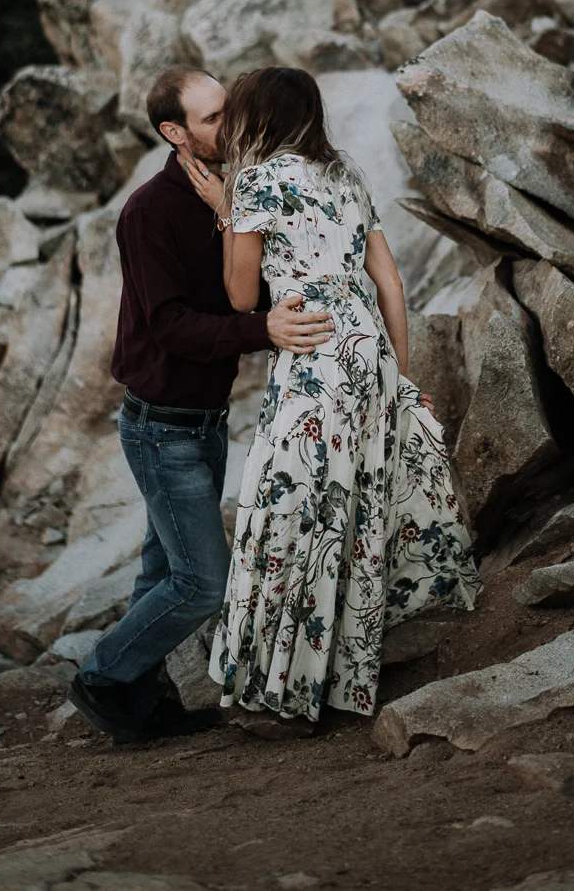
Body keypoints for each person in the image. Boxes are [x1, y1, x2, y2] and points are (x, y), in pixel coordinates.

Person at [182, 66, 479, 732]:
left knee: (286, 515)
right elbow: (392, 284)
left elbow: (238, 300)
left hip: (314, 363)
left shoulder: (256, 180)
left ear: (257, 117)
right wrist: (398, 377)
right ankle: (339, 682)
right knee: (350, 517)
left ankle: (279, 693)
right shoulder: (346, 174)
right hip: (368, 353)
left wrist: (226, 210)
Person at [69, 64, 335, 744]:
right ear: (173, 132)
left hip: (206, 422)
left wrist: (230, 218)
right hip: (161, 430)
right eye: (213, 117)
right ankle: (100, 675)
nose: (231, 122)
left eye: (228, 109)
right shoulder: (148, 211)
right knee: (200, 584)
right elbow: (170, 326)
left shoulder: (239, 184)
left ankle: (140, 699)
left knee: (160, 571)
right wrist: (261, 330)